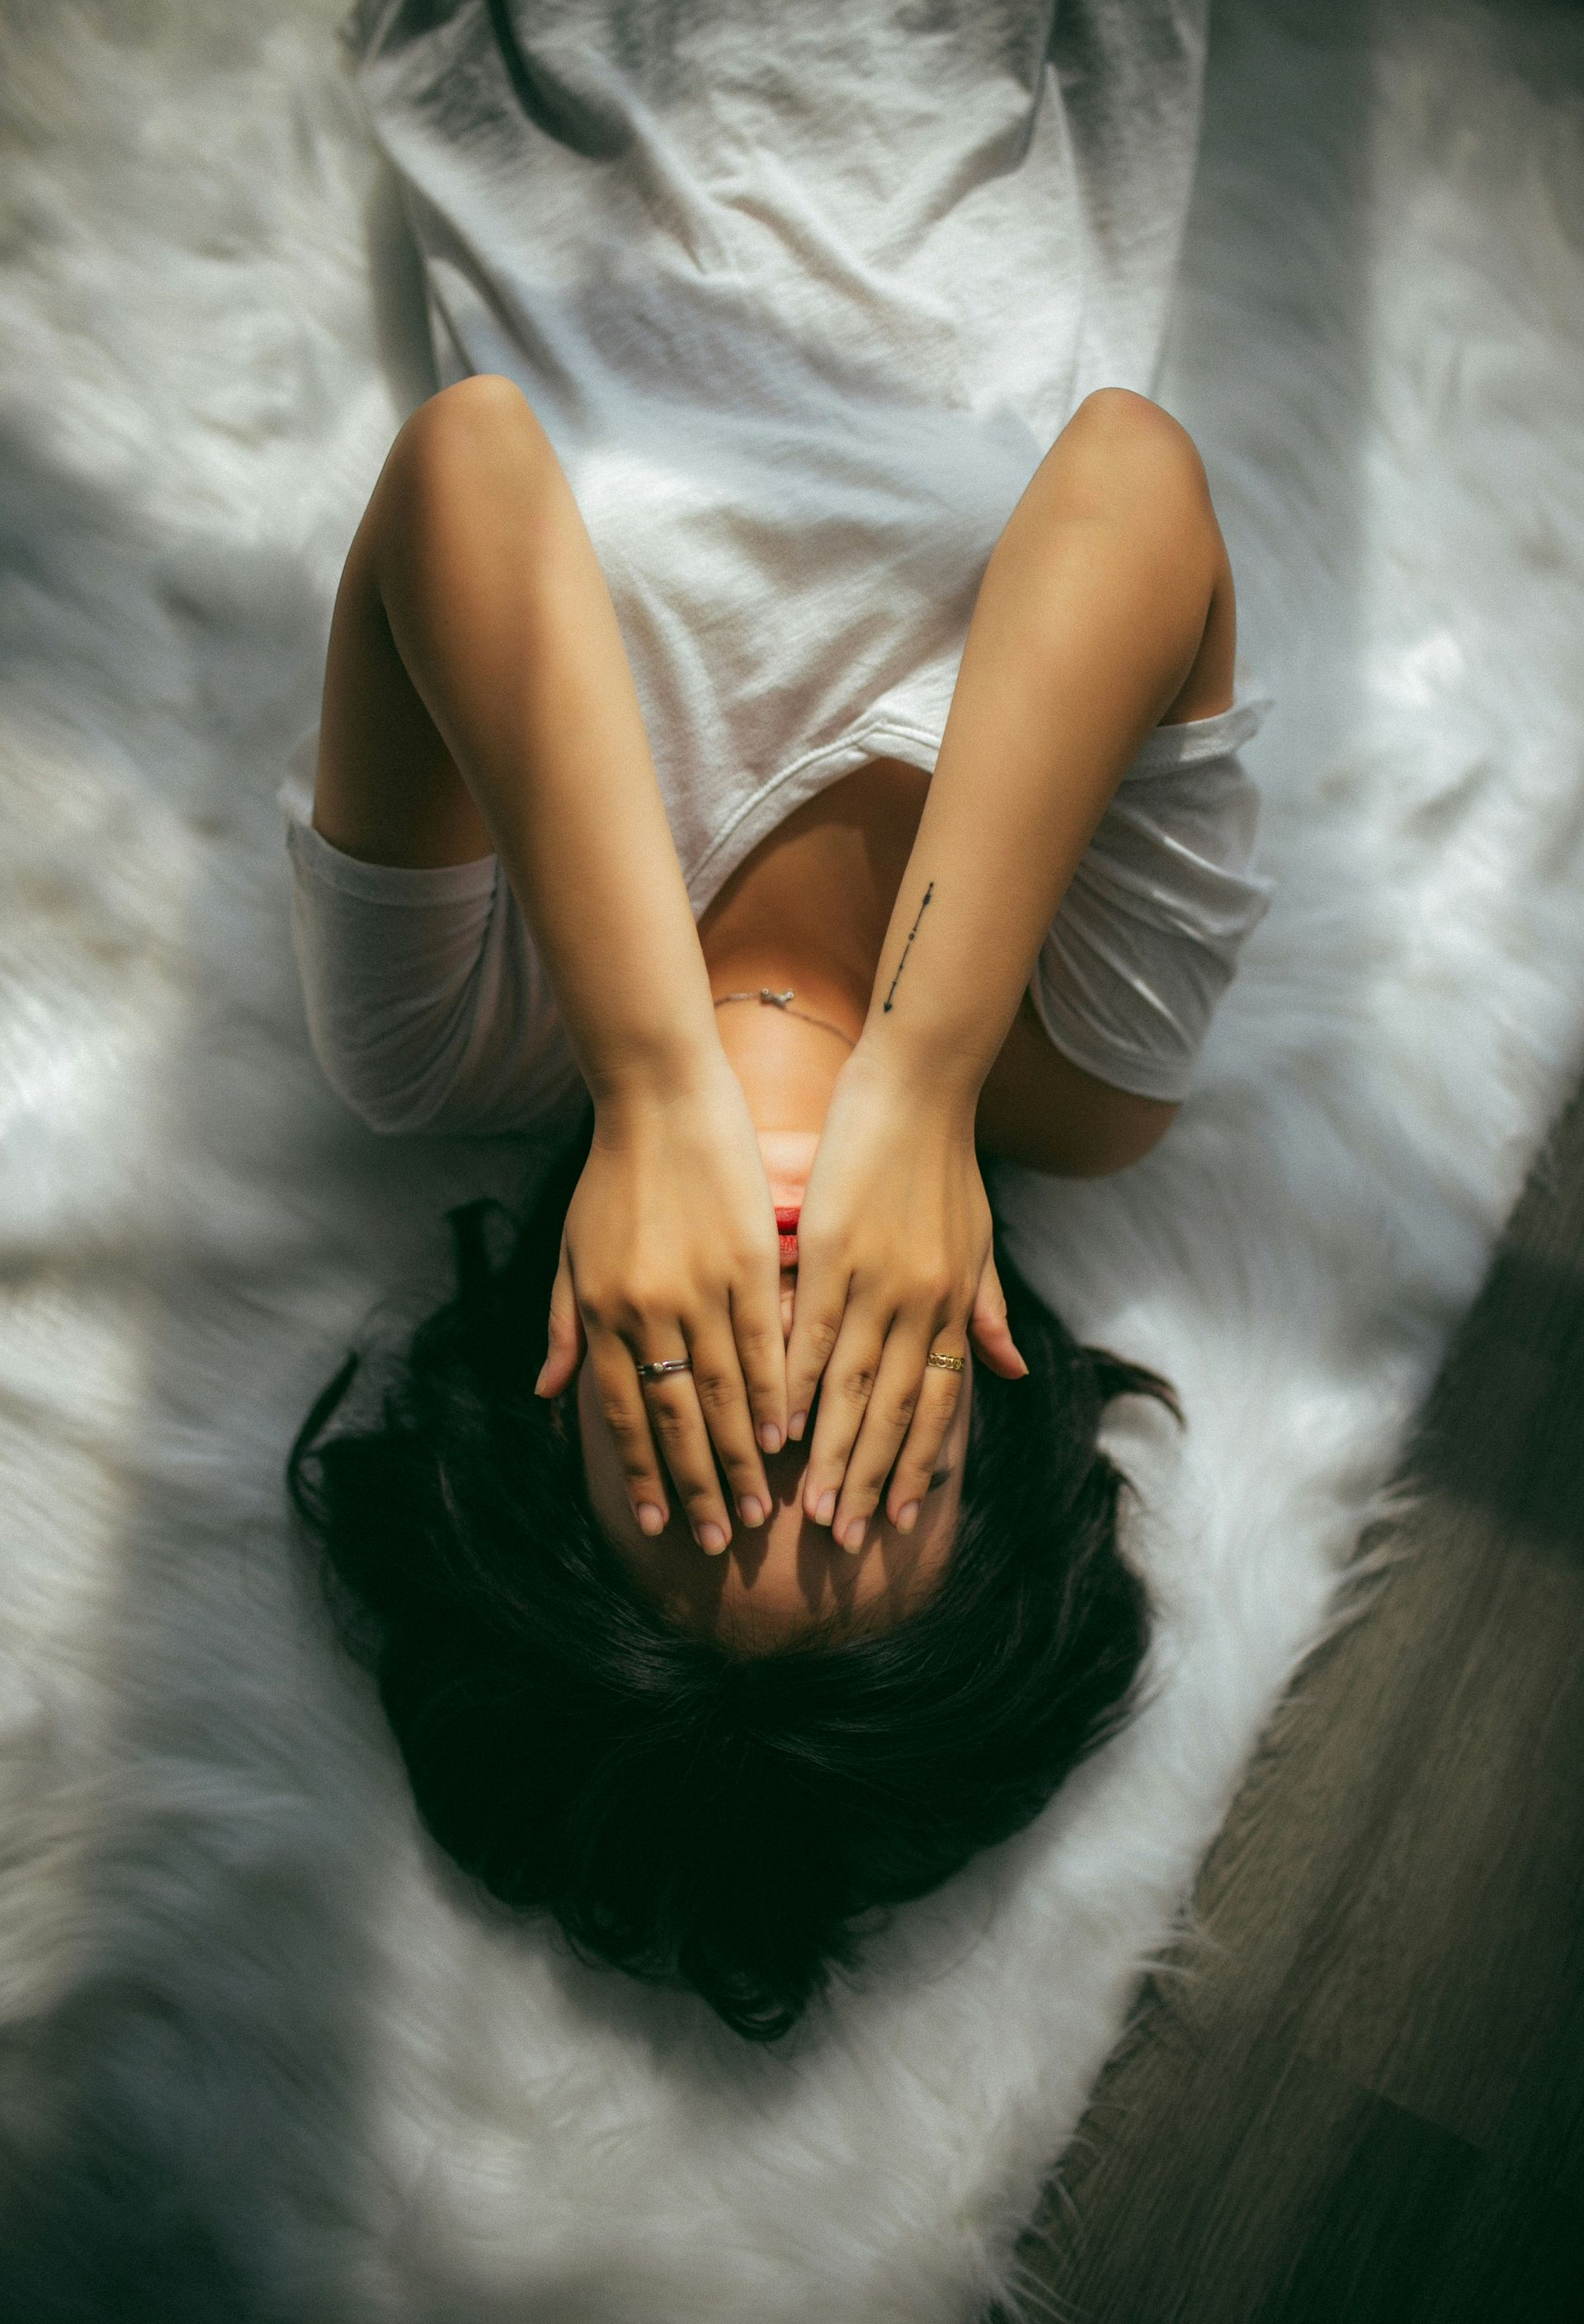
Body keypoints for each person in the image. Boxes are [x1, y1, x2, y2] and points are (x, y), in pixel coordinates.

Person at [284, 0, 1276, 2039]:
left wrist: (653, 1075)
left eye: (708, 1453)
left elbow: (465, 472)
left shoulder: (450, 1039)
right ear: (985, 1419)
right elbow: (1128, 486)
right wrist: (921, 1073)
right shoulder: (1084, 1078)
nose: (790, 1376)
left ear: (558, 1408)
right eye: (864, 1461)